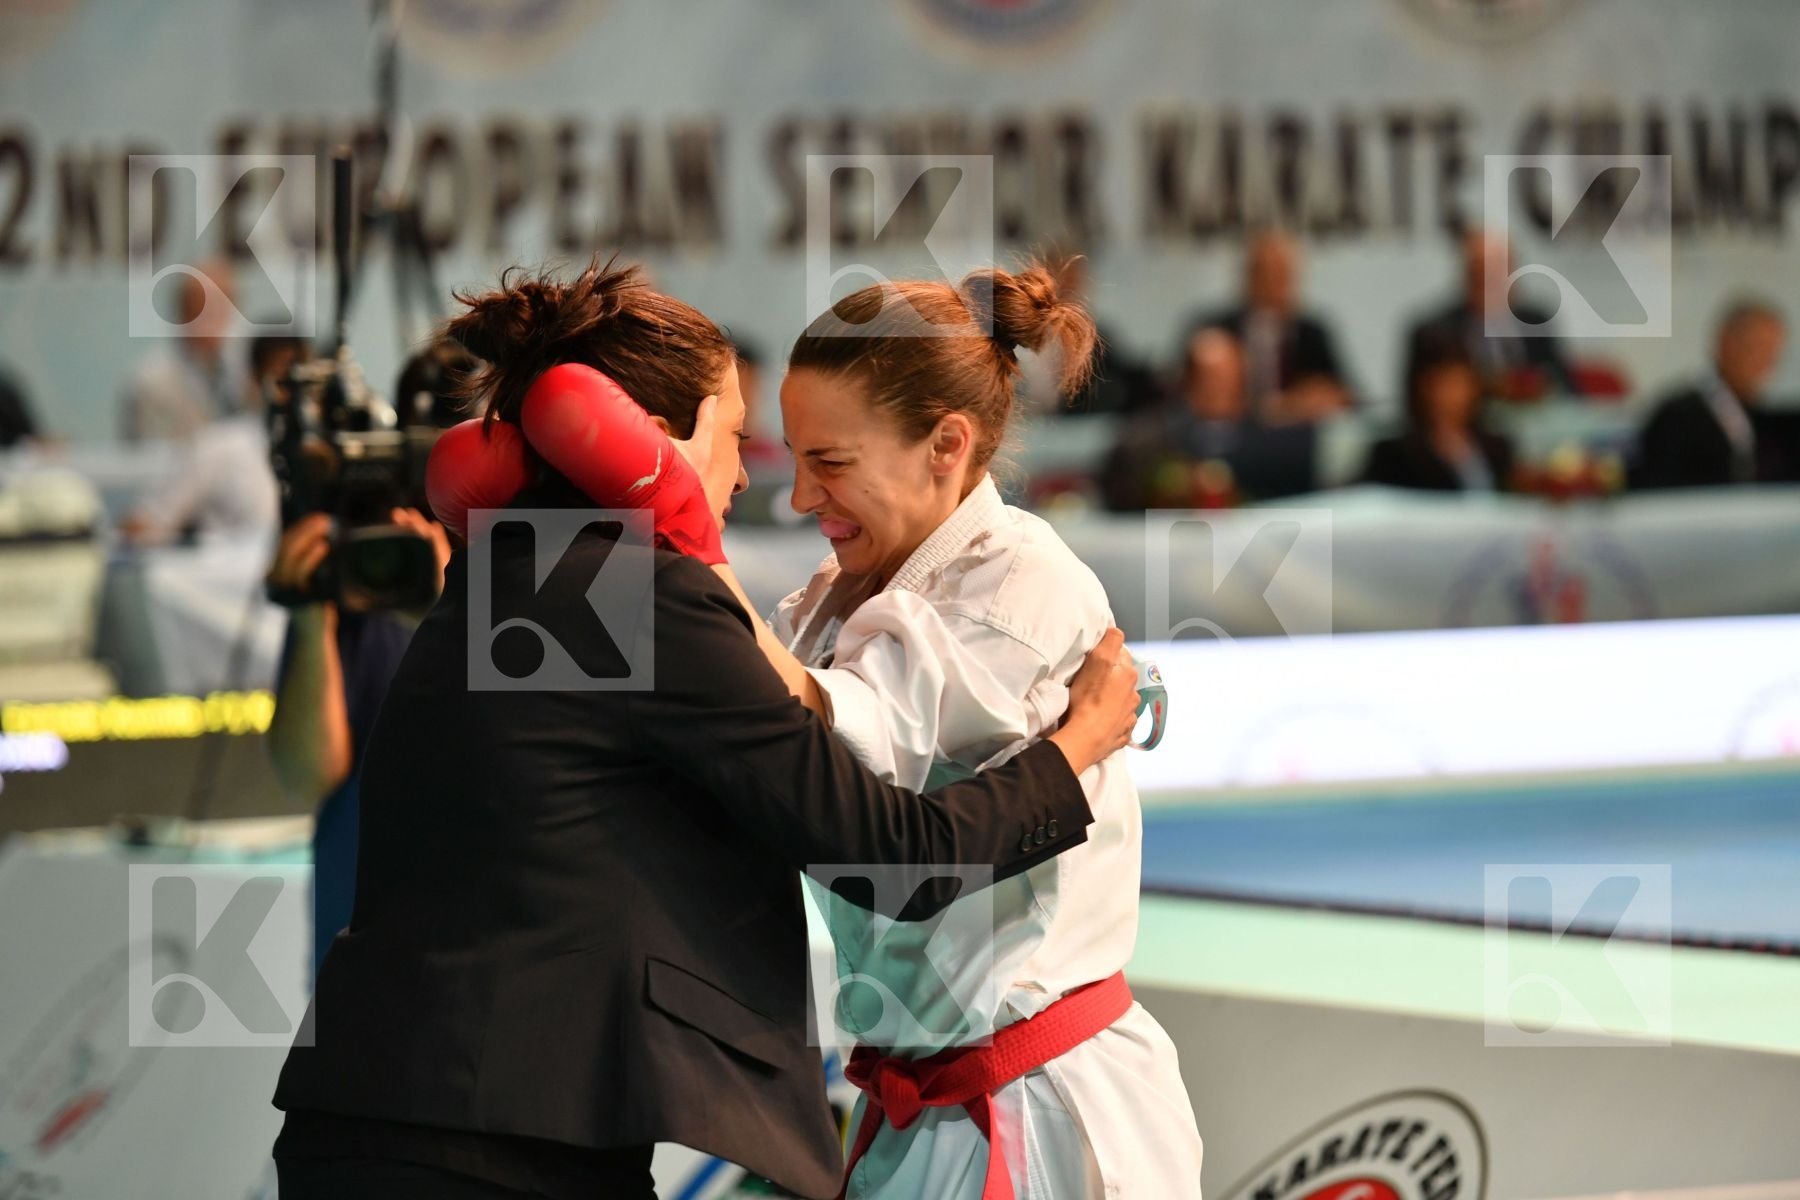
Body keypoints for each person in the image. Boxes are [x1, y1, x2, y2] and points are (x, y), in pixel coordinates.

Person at [269, 260, 1143, 1200]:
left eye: (827, 462)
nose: (762, 482)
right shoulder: (646, 597)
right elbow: (894, 856)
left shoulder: (495, 576)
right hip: (504, 1147)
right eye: (734, 436)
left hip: (368, 1121)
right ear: (644, 442)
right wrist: (1076, 747)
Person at [771, 263, 1204, 1198]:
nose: (802, 497)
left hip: (1040, 1106)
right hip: (926, 1101)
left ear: (946, 444)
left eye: (831, 462)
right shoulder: (835, 599)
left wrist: (680, 581)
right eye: (794, 457)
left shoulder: (1016, 587)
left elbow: (848, 755)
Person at [263, 341, 462, 981]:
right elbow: (308, 776)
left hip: (480, 962)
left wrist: (450, 617)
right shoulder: (356, 590)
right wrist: (309, 614)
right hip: (360, 955)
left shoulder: (546, 585)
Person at [1186, 227, 1353, 422]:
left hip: (1295, 439)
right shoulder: (1214, 329)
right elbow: (1180, 393)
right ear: (1247, 275)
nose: (1272, 283)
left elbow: (1346, 395)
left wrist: (1318, 397)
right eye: (1264, 272)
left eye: (1280, 274)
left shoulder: (1312, 333)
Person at [1402, 226, 1570, 404]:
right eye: (1480, 271)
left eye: (1497, 272)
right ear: (1466, 274)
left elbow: (1564, 384)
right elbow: (1416, 405)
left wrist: (1539, 387)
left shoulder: (1537, 322)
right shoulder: (1435, 333)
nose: (1488, 281)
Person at [1635, 299, 1791, 488]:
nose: (1765, 365)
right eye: (1756, 348)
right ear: (1725, 342)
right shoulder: (1678, 417)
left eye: (1772, 354)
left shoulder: (1760, 418)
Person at [1362, 332, 1515, 492]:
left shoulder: (1497, 448)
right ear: (1423, 387)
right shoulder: (1395, 454)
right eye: (1446, 383)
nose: (1455, 396)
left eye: (1461, 383)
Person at [119, 262, 254, 442]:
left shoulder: (244, 371)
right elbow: (149, 458)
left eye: (223, 306)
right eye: (202, 307)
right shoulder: (152, 383)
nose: (215, 317)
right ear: (183, 312)